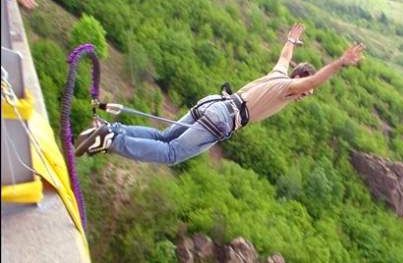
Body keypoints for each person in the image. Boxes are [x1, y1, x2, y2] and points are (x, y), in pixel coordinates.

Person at [75, 24, 365, 165]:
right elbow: (313, 78)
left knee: (165, 137)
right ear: (299, 79)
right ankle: (112, 140)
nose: (306, 94)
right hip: (222, 120)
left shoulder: (279, 73)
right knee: (172, 153)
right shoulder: (286, 88)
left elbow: (285, 56)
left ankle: (111, 129)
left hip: (214, 104)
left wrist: (290, 40)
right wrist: (340, 63)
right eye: (307, 90)